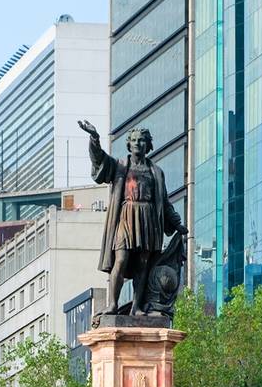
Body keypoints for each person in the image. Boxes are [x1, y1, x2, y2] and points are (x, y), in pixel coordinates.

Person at [80, 120, 186, 316]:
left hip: (148, 220)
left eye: (142, 141)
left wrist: (178, 224)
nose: (138, 143)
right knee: (120, 260)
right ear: (129, 144)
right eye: (135, 140)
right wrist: (94, 138)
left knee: (143, 264)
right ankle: (112, 304)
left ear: (148, 145)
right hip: (126, 217)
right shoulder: (121, 166)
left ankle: (137, 307)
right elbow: (99, 160)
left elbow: (164, 201)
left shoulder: (156, 172)